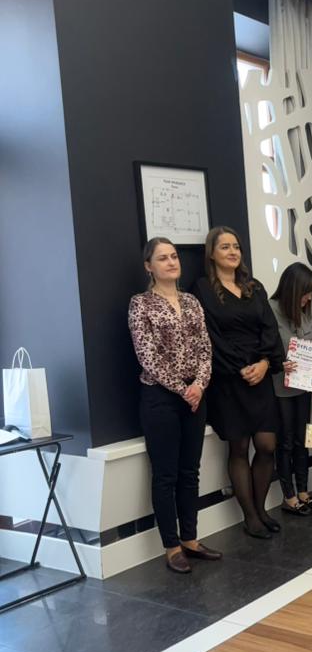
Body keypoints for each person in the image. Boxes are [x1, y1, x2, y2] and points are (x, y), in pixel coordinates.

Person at [129, 238, 221, 575]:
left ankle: (191, 539)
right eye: (162, 258)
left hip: (195, 394)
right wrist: (183, 389)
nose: (171, 262)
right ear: (148, 266)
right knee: (165, 474)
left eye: (174, 256)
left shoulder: (192, 301)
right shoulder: (140, 304)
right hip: (161, 398)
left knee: (190, 471)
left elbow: (205, 349)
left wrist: (199, 385)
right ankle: (171, 546)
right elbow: (147, 355)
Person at [193, 226, 284, 539]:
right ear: (212, 253)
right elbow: (209, 336)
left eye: (236, 247)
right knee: (239, 446)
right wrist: (240, 367)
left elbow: (269, 328)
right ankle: (251, 517)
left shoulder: (254, 287)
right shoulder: (202, 288)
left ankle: (261, 508)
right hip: (229, 378)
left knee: (267, 445)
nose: (232, 252)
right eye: (225, 247)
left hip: (260, 373)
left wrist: (264, 363)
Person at [269, 262, 312, 517]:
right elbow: (266, 348)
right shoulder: (271, 309)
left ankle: (303, 490)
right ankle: (288, 496)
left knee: (303, 438)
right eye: (305, 293)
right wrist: (279, 363)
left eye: (311, 293)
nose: (308, 298)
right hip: (281, 386)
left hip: (305, 384)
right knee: (286, 441)